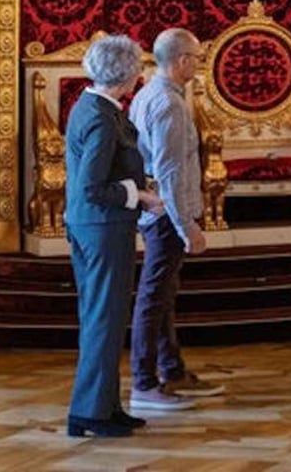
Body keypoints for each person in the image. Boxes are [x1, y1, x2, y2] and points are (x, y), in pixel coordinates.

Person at [64, 34, 163, 438]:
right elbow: (92, 188)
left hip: (100, 227)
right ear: (127, 75)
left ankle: (104, 404)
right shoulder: (100, 119)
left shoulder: (95, 107)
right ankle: (89, 411)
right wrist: (138, 196)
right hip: (101, 228)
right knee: (104, 319)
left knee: (105, 317)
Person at [127, 28, 225, 412]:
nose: (198, 65)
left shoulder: (150, 95)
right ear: (181, 60)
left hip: (162, 211)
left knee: (163, 295)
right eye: (197, 58)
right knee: (154, 296)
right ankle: (144, 382)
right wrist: (188, 227)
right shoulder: (167, 104)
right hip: (167, 213)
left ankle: (172, 369)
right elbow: (168, 171)